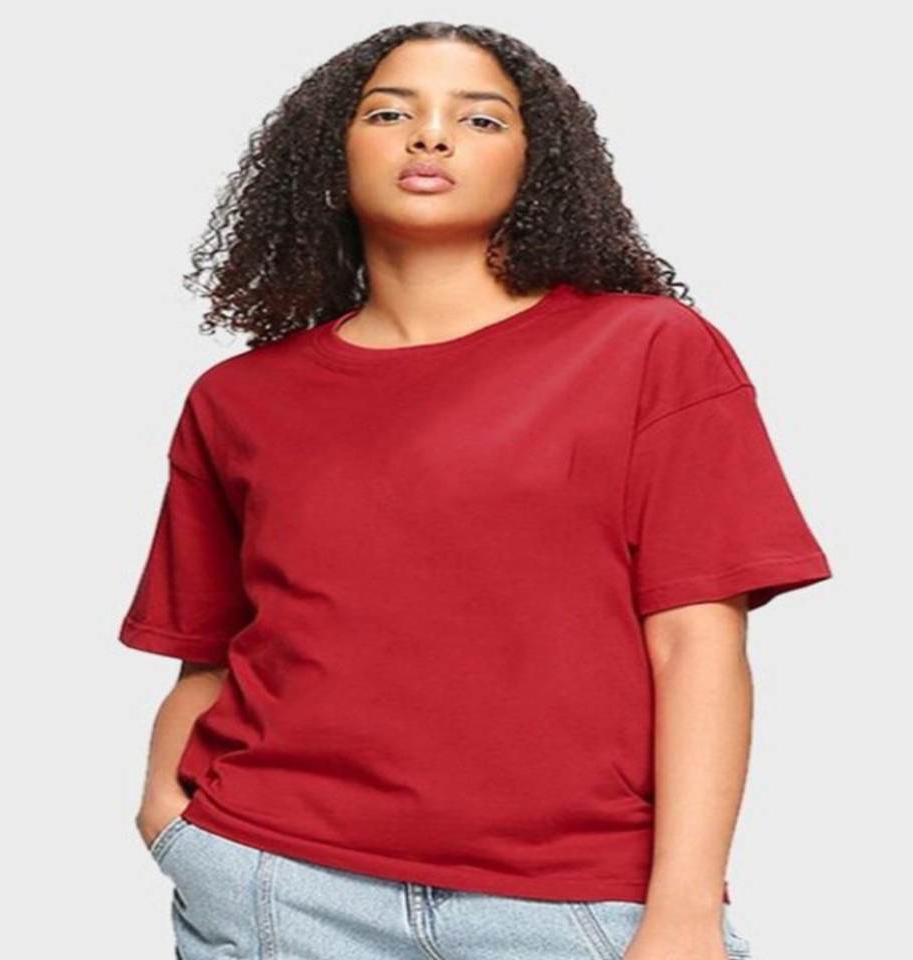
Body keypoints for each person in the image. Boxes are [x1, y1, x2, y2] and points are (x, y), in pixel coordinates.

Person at [119, 21, 832, 960]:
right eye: (389, 113)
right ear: (331, 155)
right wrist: (168, 814)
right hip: (273, 885)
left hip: (572, 904)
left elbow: (697, 643)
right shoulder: (237, 400)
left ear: (536, 166)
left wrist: (685, 911)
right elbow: (209, 650)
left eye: (480, 118)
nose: (430, 135)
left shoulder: (649, 351)